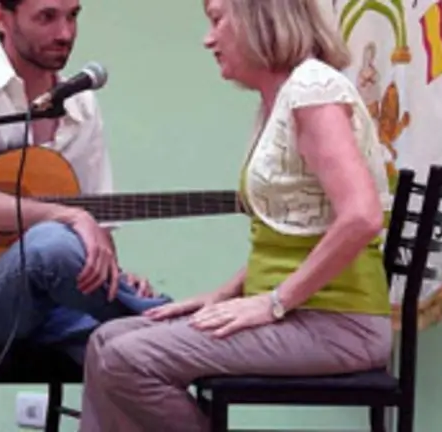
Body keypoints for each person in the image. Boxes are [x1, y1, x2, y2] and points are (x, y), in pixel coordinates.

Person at [79, 0, 394, 430]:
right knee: (105, 340)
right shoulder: (283, 97)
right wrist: (226, 293)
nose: (208, 39)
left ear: (259, 17)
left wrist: (273, 302)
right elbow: (294, 235)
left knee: (127, 359)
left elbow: (361, 217)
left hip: (340, 325)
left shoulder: (314, 91)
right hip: (303, 314)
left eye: (217, 19)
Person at [0, 0, 170, 364]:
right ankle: (170, 322)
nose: (65, 33)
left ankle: (173, 331)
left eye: (73, 16)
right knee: (50, 242)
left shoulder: (81, 104)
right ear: (1, 16)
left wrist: (116, 276)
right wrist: (67, 216)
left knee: (132, 355)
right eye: (47, 17)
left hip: (55, 307)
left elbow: (97, 229)